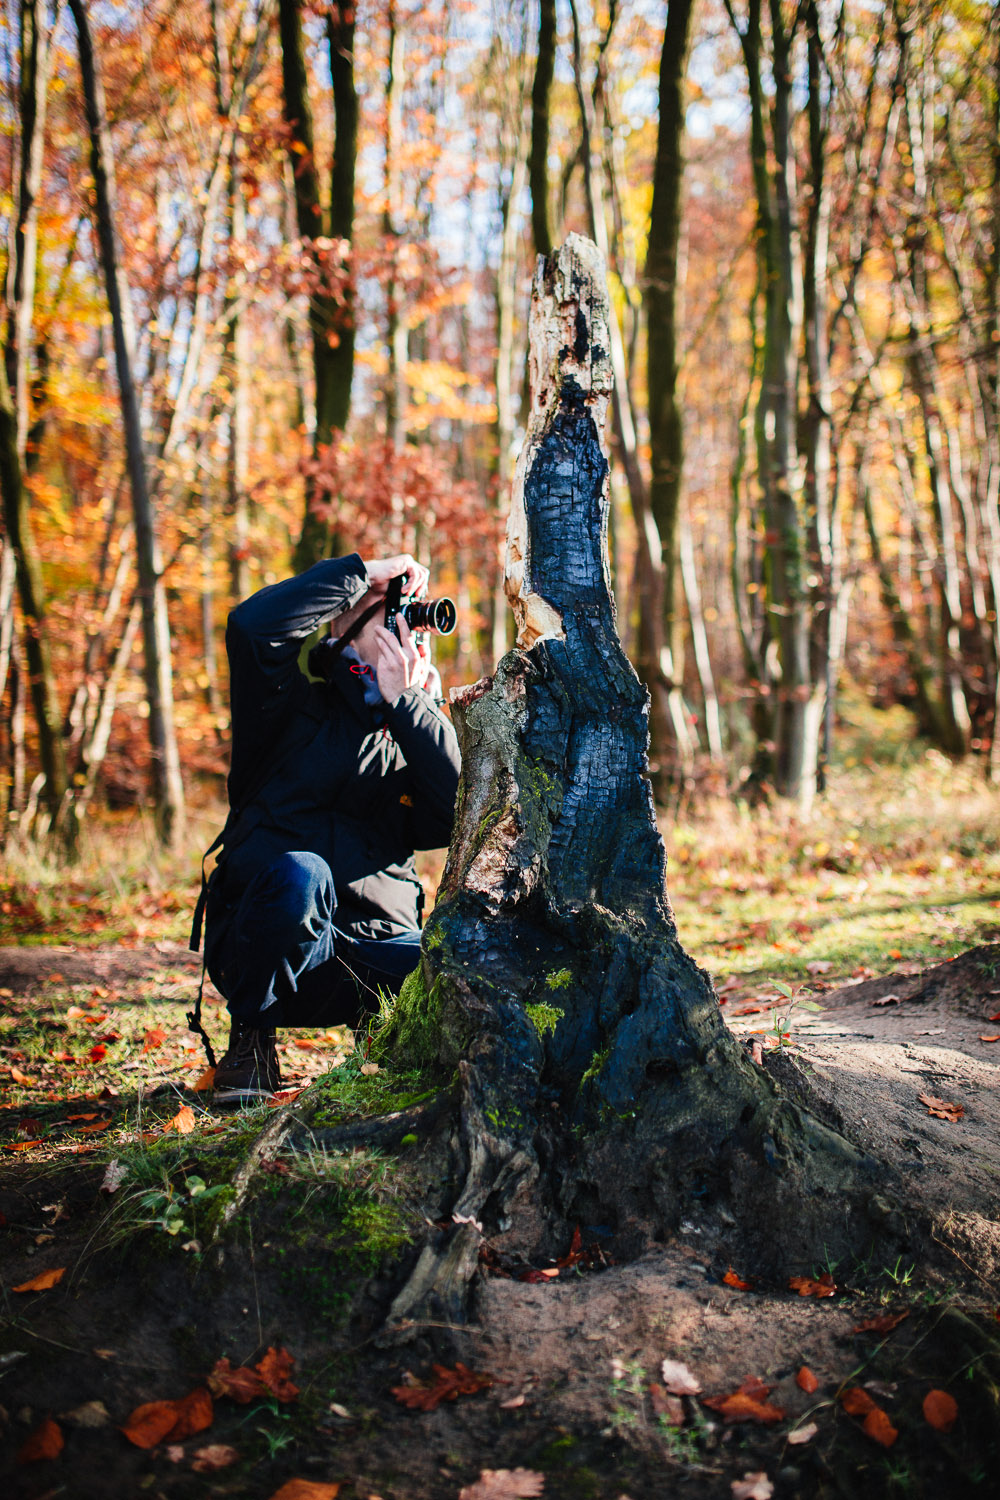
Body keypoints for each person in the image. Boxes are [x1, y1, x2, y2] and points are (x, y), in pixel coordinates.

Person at [200, 552, 461, 1104]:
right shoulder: (286, 710)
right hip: (269, 946)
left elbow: (455, 814)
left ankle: (386, 1039)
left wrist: (409, 706)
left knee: (455, 958)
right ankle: (251, 1040)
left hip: (372, 952)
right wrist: (364, 574)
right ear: (341, 624)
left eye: (412, 620)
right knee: (302, 874)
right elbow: (252, 628)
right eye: (392, 613)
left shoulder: (411, 727)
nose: (410, 631)